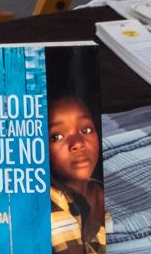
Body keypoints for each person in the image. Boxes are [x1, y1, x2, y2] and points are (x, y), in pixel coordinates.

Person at [48, 95, 107, 254]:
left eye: (85, 130)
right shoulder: (51, 204)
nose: (78, 144)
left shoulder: (101, 188)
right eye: (57, 137)